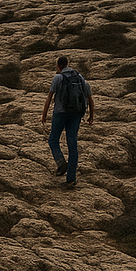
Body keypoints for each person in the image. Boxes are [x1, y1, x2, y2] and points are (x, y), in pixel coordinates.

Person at [39, 56, 94, 187]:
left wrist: (44, 115)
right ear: (67, 64)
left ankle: (60, 162)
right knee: (72, 143)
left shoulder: (58, 78)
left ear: (58, 66)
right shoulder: (80, 78)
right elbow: (90, 98)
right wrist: (91, 115)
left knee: (53, 140)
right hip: (76, 114)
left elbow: (49, 97)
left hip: (60, 113)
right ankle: (71, 178)